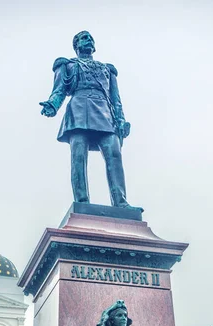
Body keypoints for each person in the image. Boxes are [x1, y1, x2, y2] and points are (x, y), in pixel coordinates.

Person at [40, 31, 135, 209]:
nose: (88, 40)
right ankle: (82, 202)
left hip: (105, 113)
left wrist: (121, 121)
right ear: (76, 45)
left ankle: (121, 202)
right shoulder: (67, 65)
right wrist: (52, 105)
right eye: (84, 38)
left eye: (91, 38)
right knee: (78, 156)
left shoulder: (107, 69)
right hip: (78, 110)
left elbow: (116, 99)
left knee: (114, 154)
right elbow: (59, 90)